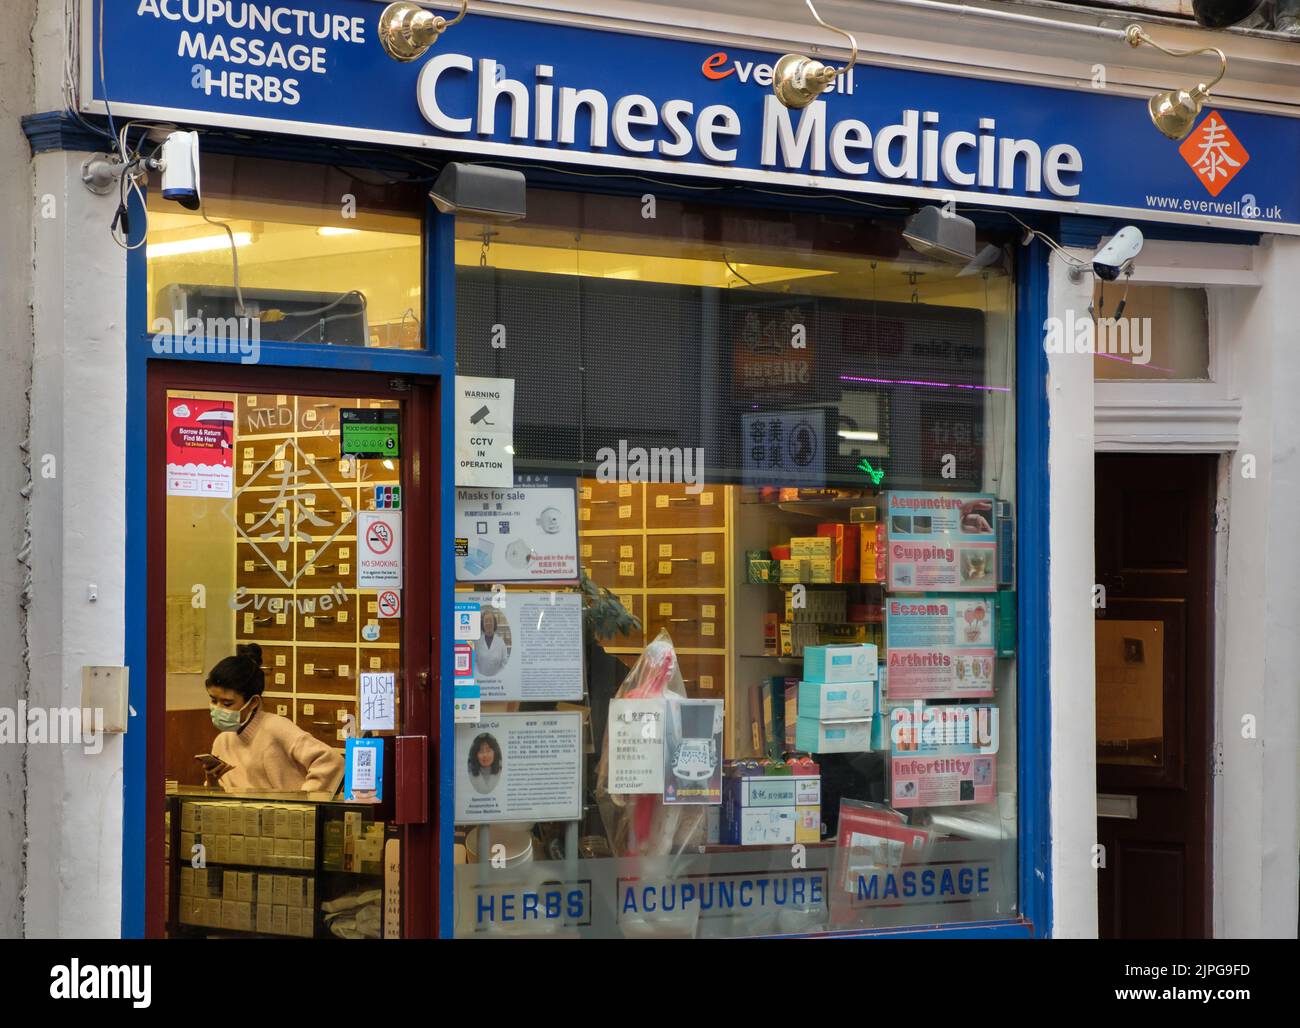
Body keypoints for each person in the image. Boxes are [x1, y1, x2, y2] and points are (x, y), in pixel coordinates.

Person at [202, 643, 344, 794]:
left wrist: (304, 801)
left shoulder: (276, 727)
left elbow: (332, 762)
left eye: (227, 703)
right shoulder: (222, 741)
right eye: (213, 700)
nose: (218, 708)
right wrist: (213, 782)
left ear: (253, 702)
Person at [474, 609, 509, 678]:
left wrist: (498, 677)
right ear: (482, 624)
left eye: (490, 621)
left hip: (497, 681)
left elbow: (504, 663)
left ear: (494, 623)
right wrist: (479, 676)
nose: (488, 623)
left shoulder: (501, 643)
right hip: (481, 680)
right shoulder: (477, 642)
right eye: (486, 621)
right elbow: (474, 662)